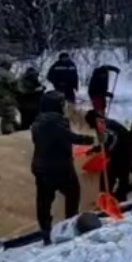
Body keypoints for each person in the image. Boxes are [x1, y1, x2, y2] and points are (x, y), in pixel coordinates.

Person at [30, 90, 94, 245]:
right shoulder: (55, 122)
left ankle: (45, 232)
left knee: (43, 202)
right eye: (61, 104)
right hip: (59, 167)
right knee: (73, 193)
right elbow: (69, 137)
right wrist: (90, 140)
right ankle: (69, 225)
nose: (64, 107)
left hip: (40, 167)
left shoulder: (38, 121)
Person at [84, 109, 132, 201]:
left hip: (123, 149)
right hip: (124, 148)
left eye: (89, 123)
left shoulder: (102, 124)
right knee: (120, 173)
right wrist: (96, 149)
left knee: (112, 173)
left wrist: (109, 151)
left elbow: (115, 137)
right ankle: (116, 195)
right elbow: (106, 142)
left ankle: (110, 196)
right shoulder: (103, 123)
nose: (89, 126)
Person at [16, 66, 46, 131]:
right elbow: (22, 92)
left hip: (34, 105)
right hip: (25, 104)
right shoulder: (22, 81)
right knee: (25, 123)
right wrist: (34, 91)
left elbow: (40, 88)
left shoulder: (34, 80)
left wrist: (41, 89)